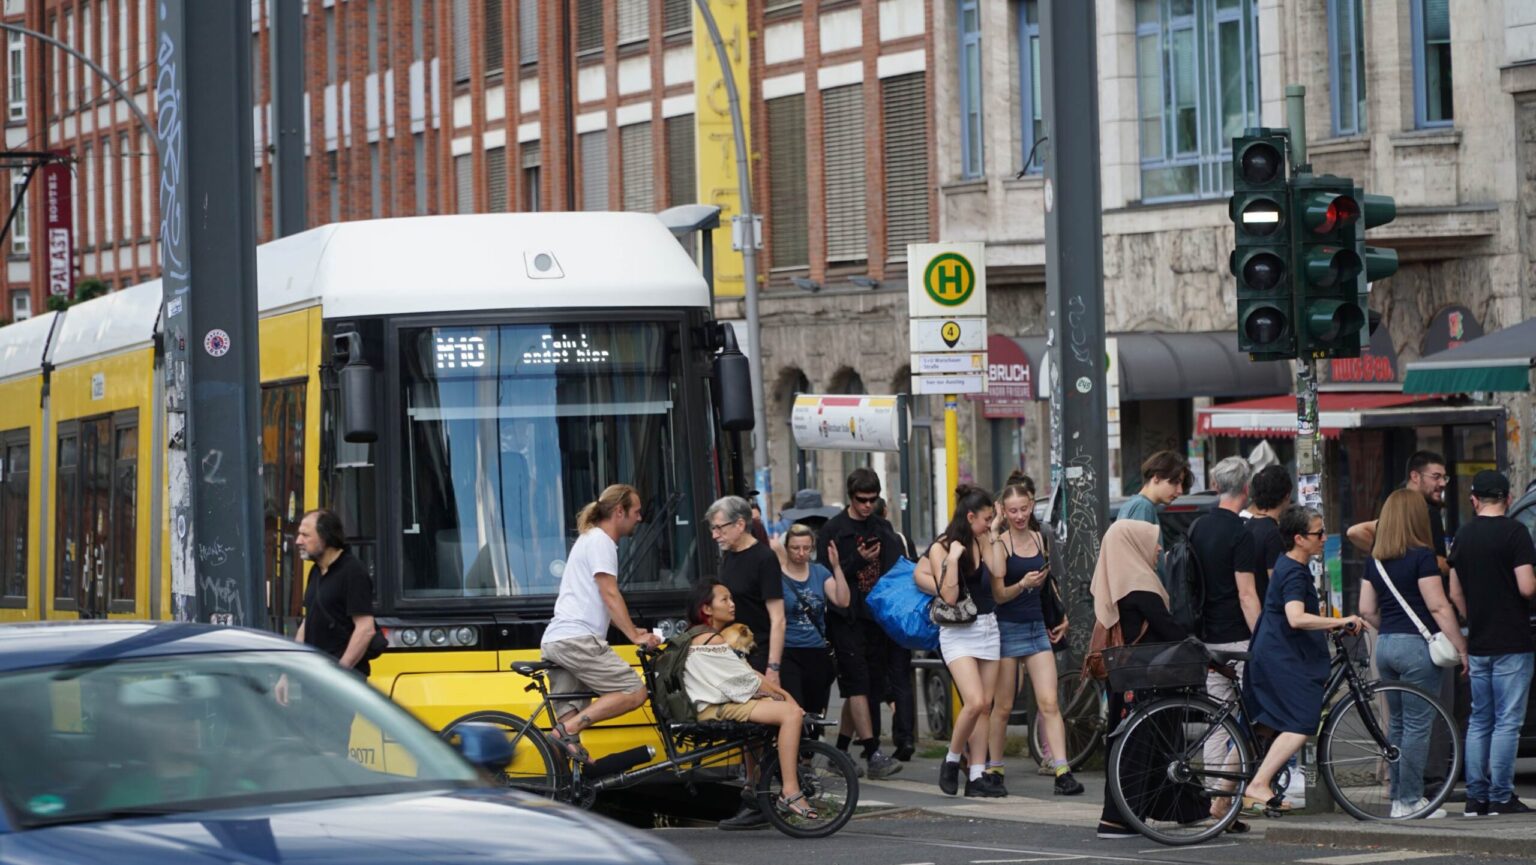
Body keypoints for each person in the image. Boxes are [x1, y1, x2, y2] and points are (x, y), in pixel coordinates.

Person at [1242, 507, 1369, 814]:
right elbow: (1296, 618)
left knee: (1258, 729)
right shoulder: (1294, 572)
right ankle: (1258, 784)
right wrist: (1339, 621)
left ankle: (1222, 803)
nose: (1324, 538)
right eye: (1318, 533)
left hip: (1271, 653)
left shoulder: (1286, 564)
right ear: (1299, 538)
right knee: (1301, 722)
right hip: (1281, 658)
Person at [1092, 520, 1211, 839]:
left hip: (1128, 680)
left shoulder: (1114, 580)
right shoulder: (1139, 584)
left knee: (1160, 747)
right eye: (1152, 541)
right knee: (1141, 749)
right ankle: (1117, 819)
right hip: (1146, 682)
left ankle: (1190, 809)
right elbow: (1168, 629)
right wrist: (1203, 651)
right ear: (1133, 545)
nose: (1158, 548)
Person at [1357, 488, 1467, 819]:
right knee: (1419, 726)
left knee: (1398, 725)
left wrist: (1389, 628)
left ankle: (1397, 798)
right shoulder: (1422, 557)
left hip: (1386, 646)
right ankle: (1411, 800)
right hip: (1417, 649)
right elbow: (1438, 606)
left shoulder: (1374, 560)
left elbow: (1366, 609)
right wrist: (1461, 646)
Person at [539, 485, 660, 764]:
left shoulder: (589, 539)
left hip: (559, 639)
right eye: (636, 511)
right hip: (577, 639)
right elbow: (609, 593)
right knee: (634, 691)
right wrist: (634, 637)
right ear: (619, 512)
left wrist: (632, 629)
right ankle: (565, 732)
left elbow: (598, 601)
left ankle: (566, 780)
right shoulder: (601, 541)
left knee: (570, 715)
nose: (640, 518)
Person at [683, 580, 818, 821]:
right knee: (790, 714)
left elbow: (746, 674)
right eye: (724, 599)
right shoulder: (712, 640)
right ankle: (790, 790)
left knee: (768, 715)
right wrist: (787, 699)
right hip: (714, 709)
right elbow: (749, 680)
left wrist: (778, 694)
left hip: (713, 704)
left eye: (731, 598)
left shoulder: (701, 635)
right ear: (707, 609)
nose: (732, 604)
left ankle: (752, 785)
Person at [983, 476, 1081, 797]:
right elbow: (998, 594)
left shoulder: (1041, 538)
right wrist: (1022, 584)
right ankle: (995, 768)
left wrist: (1061, 614)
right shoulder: (1001, 544)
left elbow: (1049, 582)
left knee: (1050, 702)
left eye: (1024, 509)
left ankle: (1062, 770)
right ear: (1003, 511)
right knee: (1003, 705)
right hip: (1007, 627)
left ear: (1031, 506)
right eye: (1013, 511)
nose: (1020, 516)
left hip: (1037, 626)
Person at [1448, 470, 1536, 817]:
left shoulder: (1463, 535)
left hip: (1480, 640)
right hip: (1513, 640)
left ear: (1474, 500)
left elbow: (1454, 591)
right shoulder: (1516, 533)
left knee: (1480, 719)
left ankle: (1476, 798)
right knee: (1508, 721)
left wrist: (1473, 616)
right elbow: (1526, 587)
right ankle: (1501, 795)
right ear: (1508, 499)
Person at [815, 468, 905, 778]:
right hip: (846, 618)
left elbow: (896, 567)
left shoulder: (882, 527)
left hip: (876, 618)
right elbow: (825, 575)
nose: (867, 506)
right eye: (861, 500)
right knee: (856, 685)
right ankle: (873, 752)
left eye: (872, 500)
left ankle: (840, 751)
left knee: (868, 689)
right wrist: (858, 560)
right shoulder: (833, 530)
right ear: (850, 497)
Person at [916, 486, 1003, 798]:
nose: (989, 523)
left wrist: (993, 535)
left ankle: (977, 775)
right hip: (957, 633)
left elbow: (999, 571)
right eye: (986, 518)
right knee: (975, 701)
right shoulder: (941, 547)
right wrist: (952, 559)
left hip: (988, 627)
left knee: (985, 707)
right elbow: (949, 596)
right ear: (970, 517)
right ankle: (952, 759)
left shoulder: (984, 538)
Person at [1188, 457, 1260, 807]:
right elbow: (1247, 595)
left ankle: (1214, 793)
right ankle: (1228, 795)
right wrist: (1261, 637)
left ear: (1216, 486)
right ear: (1246, 488)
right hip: (1238, 637)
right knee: (1255, 716)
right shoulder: (1241, 533)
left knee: (1218, 719)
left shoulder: (1198, 527)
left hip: (1207, 637)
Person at [281, 509, 378, 754]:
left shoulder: (353, 572)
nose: (298, 541)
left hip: (337, 681)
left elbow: (365, 629)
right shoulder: (316, 572)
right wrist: (287, 673)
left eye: (305, 535)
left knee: (331, 751)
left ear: (325, 538)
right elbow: (308, 623)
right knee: (312, 751)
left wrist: (338, 674)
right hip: (316, 678)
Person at [775, 523, 850, 721]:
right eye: (795, 548)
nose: (801, 553)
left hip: (816, 650)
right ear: (787, 548)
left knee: (815, 710)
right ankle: (796, 741)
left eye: (806, 548)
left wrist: (836, 567)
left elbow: (843, 601)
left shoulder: (819, 572)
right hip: (789, 650)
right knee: (795, 708)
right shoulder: (777, 576)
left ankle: (811, 741)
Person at [707, 496, 786, 677]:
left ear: (740, 525)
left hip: (758, 654)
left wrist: (773, 667)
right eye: (713, 528)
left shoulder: (765, 558)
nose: (714, 535)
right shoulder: (728, 556)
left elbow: (778, 619)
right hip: (732, 654)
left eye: (719, 528)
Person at [1347, 451, 1451, 578]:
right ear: (1415, 476)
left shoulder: (1396, 510)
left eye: (1444, 478)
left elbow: (1355, 532)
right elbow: (1440, 563)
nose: (1443, 483)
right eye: (1436, 477)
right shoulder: (1427, 512)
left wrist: (1393, 555)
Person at [874, 496, 918, 760]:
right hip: (899, 615)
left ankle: (872, 740)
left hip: (874, 615)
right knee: (901, 678)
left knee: (873, 678)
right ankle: (906, 737)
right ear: (886, 512)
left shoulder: (869, 540)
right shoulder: (901, 540)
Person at [1244, 465, 1292, 602]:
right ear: (1286, 496)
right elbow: (1277, 583)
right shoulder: (1273, 534)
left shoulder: (1247, 526)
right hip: (1267, 609)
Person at [1119, 450, 1189, 528]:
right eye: (1175, 482)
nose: (1180, 491)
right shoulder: (1143, 507)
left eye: (1181, 484)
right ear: (1157, 477)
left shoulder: (1135, 504)